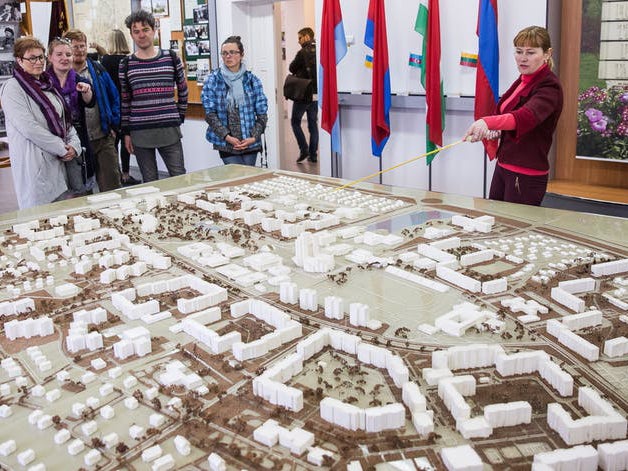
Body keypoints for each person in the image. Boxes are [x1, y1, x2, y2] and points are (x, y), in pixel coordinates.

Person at [464, 26, 563, 206]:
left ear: (547, 54)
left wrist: (487, 121)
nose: (523, 58)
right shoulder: (523, 79)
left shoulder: (549, 86)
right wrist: (496, 130)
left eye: (531, 52)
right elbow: (505, 113)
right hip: (504, 165)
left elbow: (524, 117)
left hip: (526, 173)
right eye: (519, 51)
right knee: (494, 220)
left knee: (512, 229)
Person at [0, 37, 82, 209]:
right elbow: (29, 128)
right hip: (35, 168)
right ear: (19, 60)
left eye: (41, 57)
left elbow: (66, 121)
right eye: (32, 58)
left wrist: (74, 145)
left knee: (64, 219)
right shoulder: (12, 88)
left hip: (59, 166)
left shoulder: (47, 85)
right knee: (40, 222)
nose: (38, 62)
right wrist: (61, 148)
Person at [120, 10, 188, 182]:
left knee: (179, 178)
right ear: (131, 34)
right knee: (150, 183)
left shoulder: (171, 57)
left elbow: (183, 89)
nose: (141, 35)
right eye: (136, 31)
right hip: (140, 133)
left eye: (145, 29)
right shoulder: (126, 64)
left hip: (169, 131)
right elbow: (125, 101)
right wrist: (126, 132)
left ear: (154, 30)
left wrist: (178, 116)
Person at [63, 28, 122, 192]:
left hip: (103, 138)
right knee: (82, 192)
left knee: (112, 188)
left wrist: (114, 125)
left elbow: (114, 96)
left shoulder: (98, 69)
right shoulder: (60, 75)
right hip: (77, 144)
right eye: (75, 47)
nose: (80, 50)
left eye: (82, 46)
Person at [201, 36, 268, 166]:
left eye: (232, 52)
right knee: (235, 178)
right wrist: (227, 137)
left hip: (250, 141)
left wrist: (253, 137)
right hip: (226, 142)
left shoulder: (252, 80)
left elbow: (262, 113)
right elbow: (210, 114)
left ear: (241, 54)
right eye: (225, 53)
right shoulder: (213, 80)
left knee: (247, 179)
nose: (228, 56)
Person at [47, 37, 96, 196]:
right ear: (50, 57)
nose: (64, 58)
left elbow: (90, 103)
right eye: (59, 54)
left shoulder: (79, 80)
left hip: (77, 141)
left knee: (81, 189)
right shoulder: (43, 83)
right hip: (51, 143)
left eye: (68, 54)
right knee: (57, 191)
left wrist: (87, 91)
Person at [97, 30, 139, 186]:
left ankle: (116, 173)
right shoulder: (128, 60)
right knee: (126, 141)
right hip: (127, 106)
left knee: (112, 143)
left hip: (112, 106)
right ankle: (126, 174)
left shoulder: (105, 61)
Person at [289, 27, 318, 163]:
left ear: (306, 36)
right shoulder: (319, 50)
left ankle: (304, 149)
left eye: (300, 37)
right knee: (313, 124)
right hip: (315, 94)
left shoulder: (302, 52)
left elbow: (291, 68)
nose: (298, 40)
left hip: (302, 94)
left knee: (295, 122)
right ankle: (313, 155)